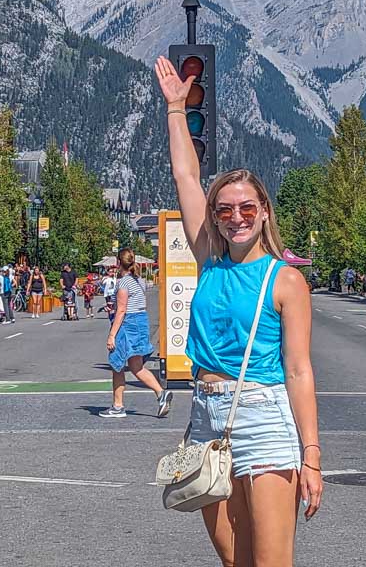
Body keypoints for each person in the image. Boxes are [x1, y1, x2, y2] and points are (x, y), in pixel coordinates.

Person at [155, 55, 321, 564]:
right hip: (205, 415)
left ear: (264, 211)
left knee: (268, 561)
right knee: (232, 558)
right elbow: (186, 174)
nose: (236, 218)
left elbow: (298, 369)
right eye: (225, 210)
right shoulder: (210, 260)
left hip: (265, 417)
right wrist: (176, 110)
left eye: (247, 208)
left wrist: (311, 456)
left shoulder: (285, 280)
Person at [99, 247, 172, 419]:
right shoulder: (138, 280)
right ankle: (161, 394)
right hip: (141, 321)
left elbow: (122, 310)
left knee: (116, 363)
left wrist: (111, 335)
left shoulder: (123, 283)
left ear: (118, 263)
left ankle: (118, 406)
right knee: (136, 366)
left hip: (128, 323)